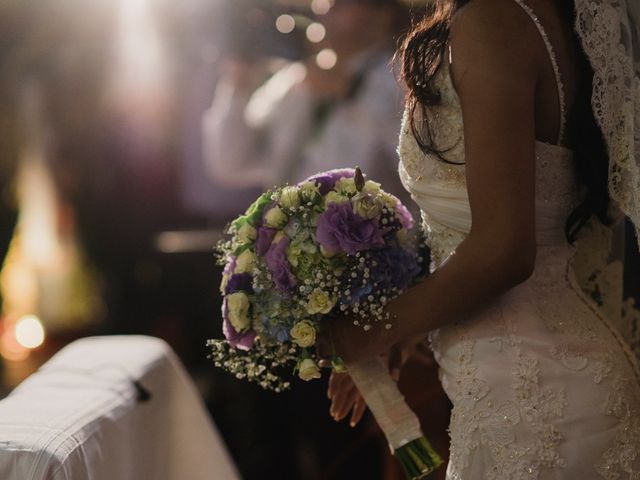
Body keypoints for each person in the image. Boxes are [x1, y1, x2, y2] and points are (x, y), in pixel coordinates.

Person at [321, 0, 640, 477]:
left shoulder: (494, 20)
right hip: (528, 382)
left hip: (535, 402)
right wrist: (404, 333)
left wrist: (367, 332)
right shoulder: (541, 18)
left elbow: (504, 250)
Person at [201, 0, 409, 201]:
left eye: (340, 2)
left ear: (382, 14)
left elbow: (419, 166)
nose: (323, 8)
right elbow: (231, 164)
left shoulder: (406, 77)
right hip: (292, 232)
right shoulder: (294, 79)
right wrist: (237, 85)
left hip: (376, 233)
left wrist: (354, 96)